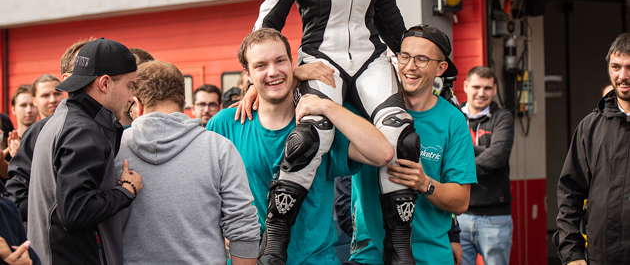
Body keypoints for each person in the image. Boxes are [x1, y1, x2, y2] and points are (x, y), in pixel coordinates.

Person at [252, 0, 418, 265]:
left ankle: (400, 245)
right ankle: (275, 241)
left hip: (372, 56)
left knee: (403, 135)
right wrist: (263, 79)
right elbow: (266, 26)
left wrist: (418, 60)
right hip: (320, 60)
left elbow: (389, 14)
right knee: (311, 137)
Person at [209, 28, 393, 265]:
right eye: (260, 66)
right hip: (249, 259)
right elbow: (204, 193)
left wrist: (328, 107)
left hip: (315, 259)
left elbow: (384, 153)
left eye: (280, 61)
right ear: (247, 74)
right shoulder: (225, 125)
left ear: (292, 63)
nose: (273, 72)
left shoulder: (323, 122)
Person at [347, 24, 476, 265]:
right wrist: (252, 88)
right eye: (404, 57)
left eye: (421, 59)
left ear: (441, 67)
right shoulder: (366, 107)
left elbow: (461, 201)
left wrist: (424, 183)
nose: (410, 66)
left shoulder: (453, 121)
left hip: (428, 257)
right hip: (369, 255)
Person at [116, 60, 259, 264]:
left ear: (137, 104)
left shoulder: (113, 150)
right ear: (184, 102)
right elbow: (243, 228)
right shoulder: (219, 149)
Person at [28, 38, 143, 265]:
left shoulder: (65, 117)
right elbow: (75, 212)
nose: (131, 96)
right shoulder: (83, 131)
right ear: (105, 83)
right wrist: (126, 191)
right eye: (130, 86)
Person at [556, 31, 630, 264]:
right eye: (616, 67)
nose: (623, 76)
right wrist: (572, 253)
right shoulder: (590, 127)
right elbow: (570, 193)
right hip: (602, 257)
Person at [7, 38, 95, 222]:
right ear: (34, 100)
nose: (52, 99)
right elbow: (17, 196)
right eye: (45, 95)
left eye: (56, 93)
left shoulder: (84, 127)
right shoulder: (35, 134)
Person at [458, 66, 514, 265]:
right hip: (458, 216)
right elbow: (446, 156)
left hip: (495, 217)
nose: (481, 93)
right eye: (476, 87)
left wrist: (461, 164)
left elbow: (497, 156)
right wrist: (484, 151)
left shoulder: (503, 117)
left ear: (495, 89)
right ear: (465, 86)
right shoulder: (454, 116)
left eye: (487, 88)